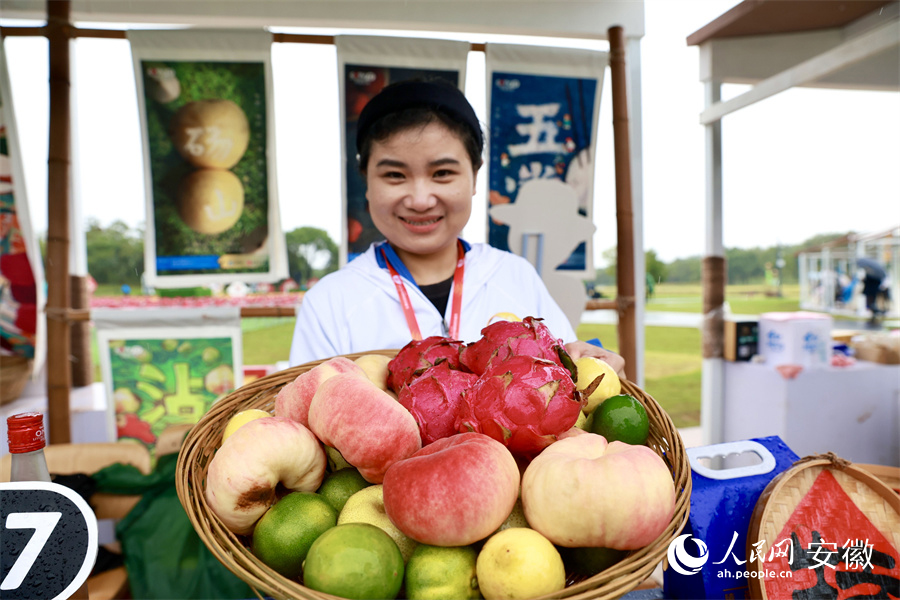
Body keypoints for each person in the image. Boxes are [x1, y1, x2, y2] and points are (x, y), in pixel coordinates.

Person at [289, 79, 625, 377]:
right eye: (394, 175)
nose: (420, 200)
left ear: (475, 177)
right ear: (367, 183)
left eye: (442, 174)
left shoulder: (515, 278)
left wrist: (593, 366)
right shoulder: (330, 303)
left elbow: (568, 388)